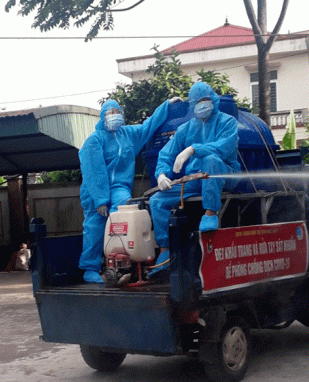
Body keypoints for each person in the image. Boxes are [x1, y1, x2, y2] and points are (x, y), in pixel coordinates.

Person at [78, 98, 176, 283]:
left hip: (119, 187)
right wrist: (100, 199)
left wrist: (166, 105)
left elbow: (148, 126)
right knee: (95, 228)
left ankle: (118, 264)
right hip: (95, 189)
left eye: (117, 111)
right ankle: (90, 268)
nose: (115, 115)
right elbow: (94, 171)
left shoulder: (128, 134)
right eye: (110, 112)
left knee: (123, 215)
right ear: (103, 116)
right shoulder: (95, 139)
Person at [149, 82, 240, 277]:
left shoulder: (228, 122)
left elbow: (223, 148)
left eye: (205, 100)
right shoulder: (185, 129)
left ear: (213, 100)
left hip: (224, 175)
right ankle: (164, 252)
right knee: (157, 201)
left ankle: (210, 213)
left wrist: (193, 149)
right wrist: (162, 175)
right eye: (197, 102)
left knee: (211, 159)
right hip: (196, 180)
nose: (202, 105)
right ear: (191, 105)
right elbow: (166, 154)